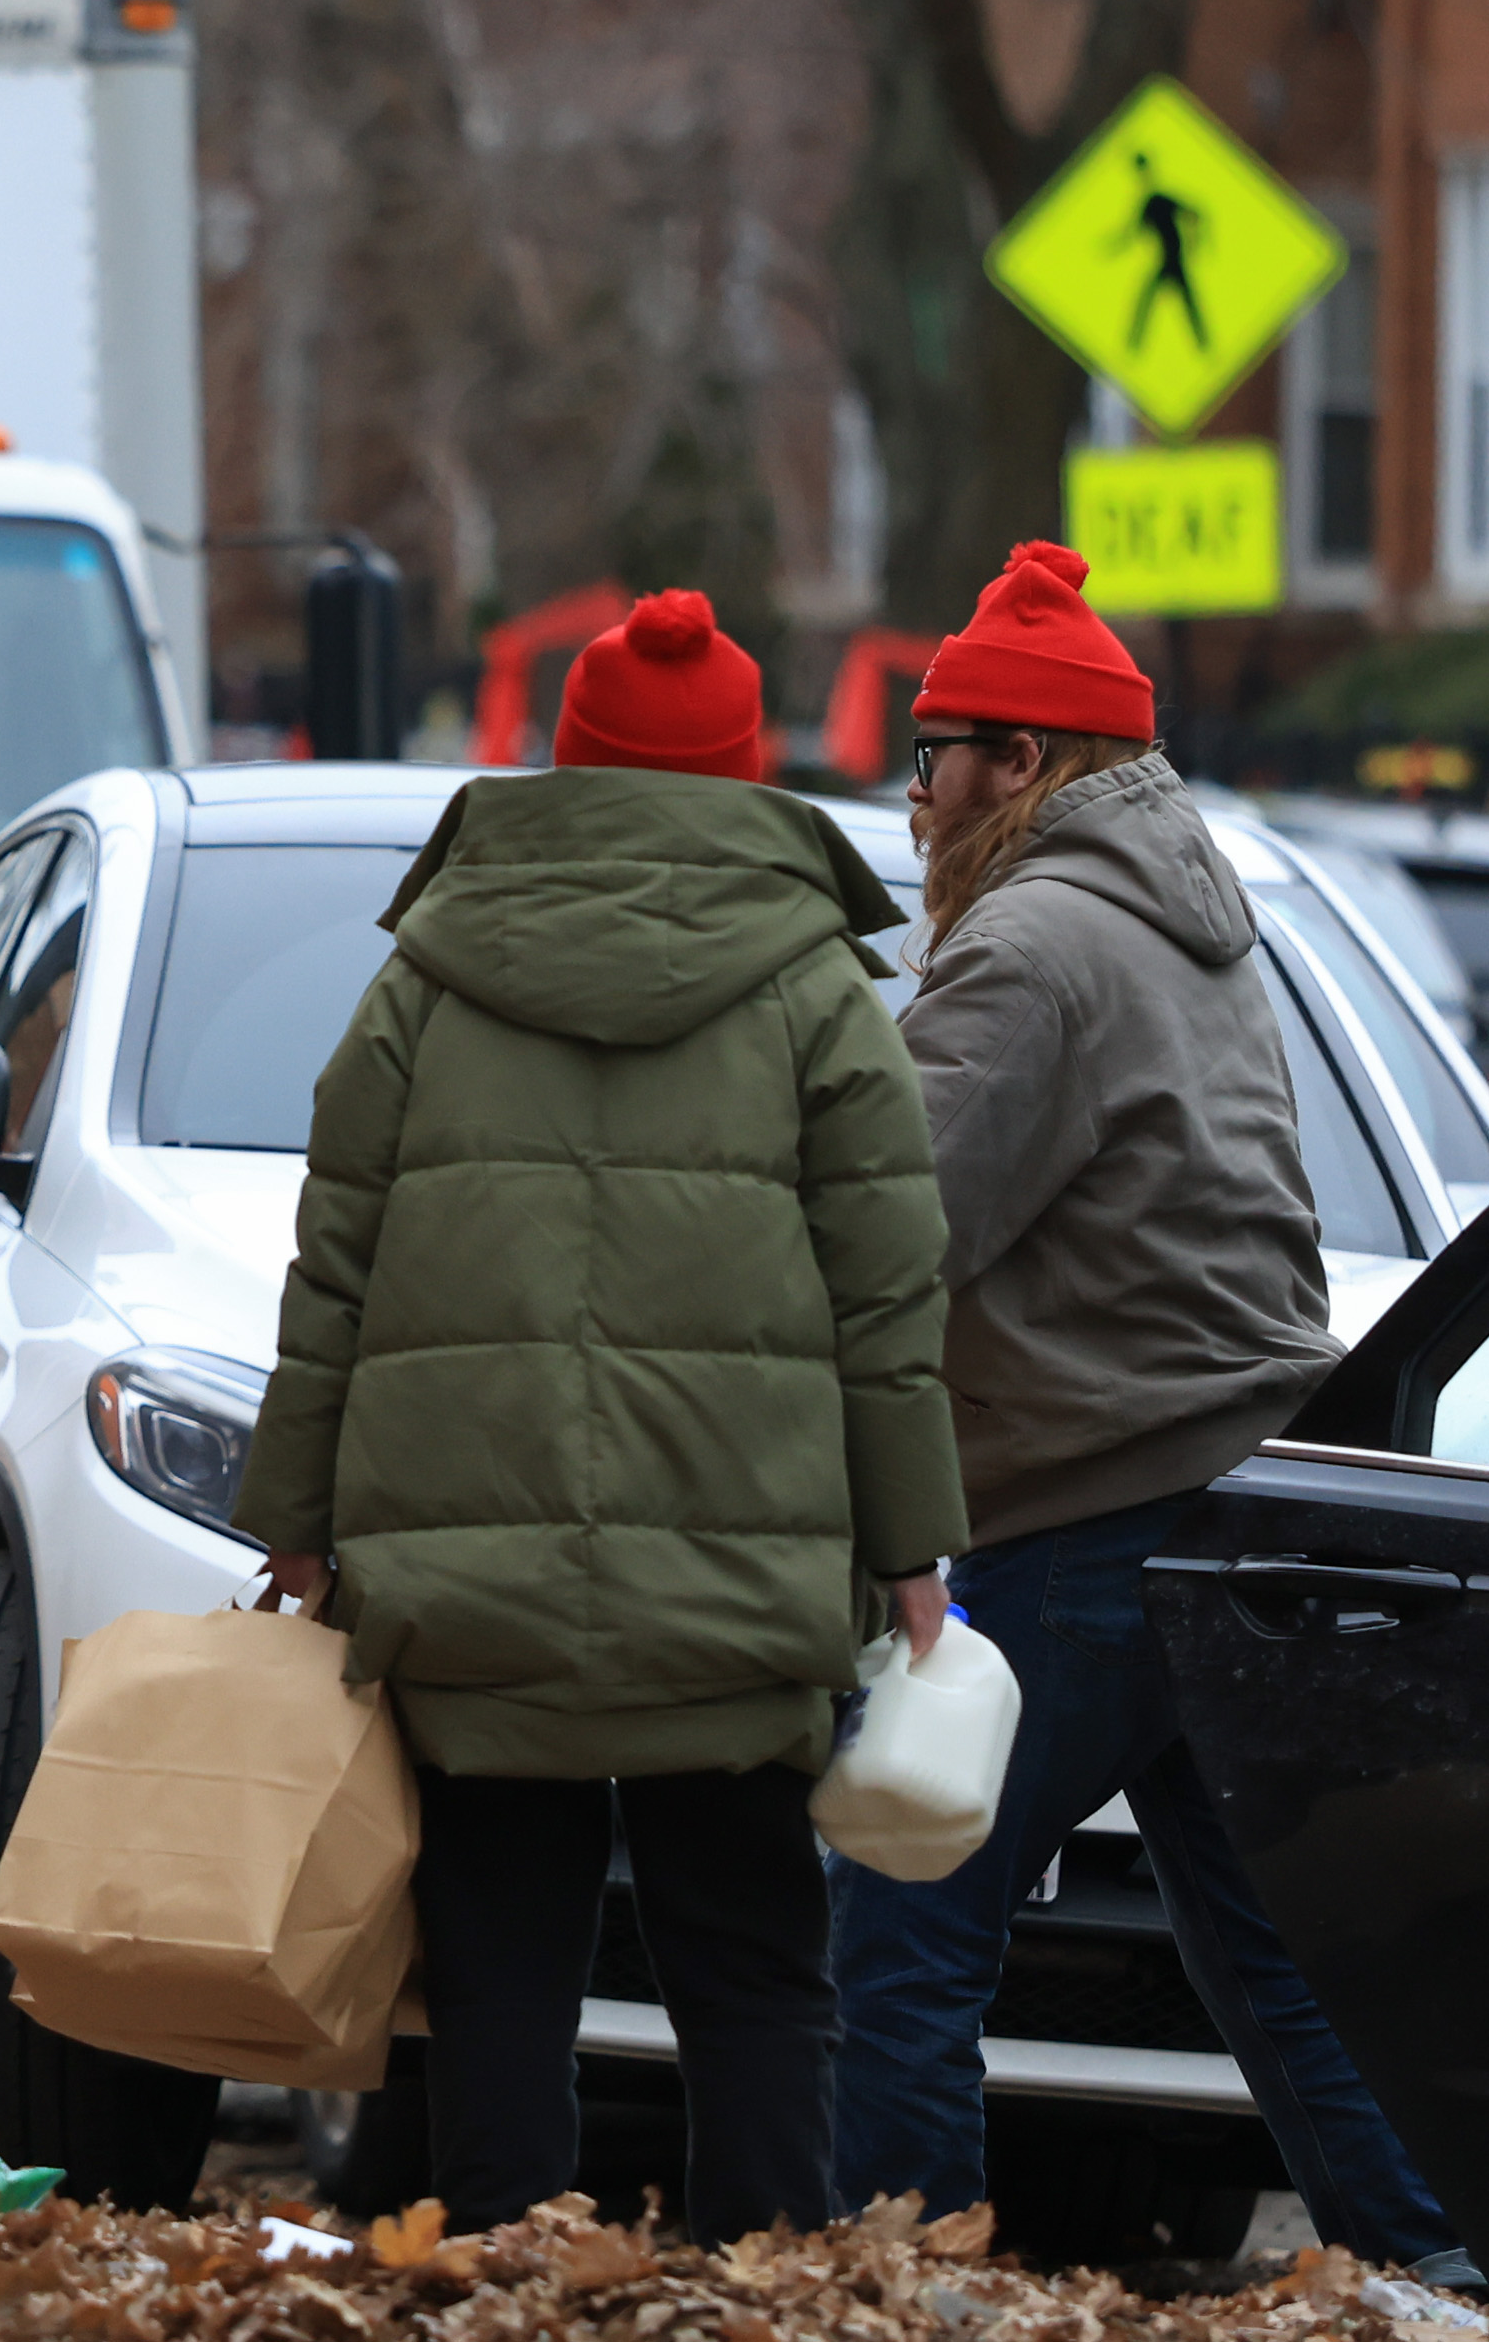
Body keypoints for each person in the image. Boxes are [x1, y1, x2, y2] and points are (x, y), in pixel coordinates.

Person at [234, 589, 961, 2244]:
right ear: (744, 773)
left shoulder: (424, 983)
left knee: (497, 1964)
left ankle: (505, 2272)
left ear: (570, 765)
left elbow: (330, 1265)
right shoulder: (817, 991)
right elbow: (887, 1296)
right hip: (742, 1581)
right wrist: (913, 1546)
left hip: (467, 1585)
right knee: (759, 1965)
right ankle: (764, 2280)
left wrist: (297, 1515)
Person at [833, 542, 1469, 2279]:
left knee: (898, 1925)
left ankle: (882, 2285)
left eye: (937, 745)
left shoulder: (1032, 949)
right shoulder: (1195, 927)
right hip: (1236, 1501)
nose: (912, 784)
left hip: (1073, 1510)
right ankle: (1430, 2281)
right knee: (1279, 1954)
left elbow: (888, 1235)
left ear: (1024, 762)